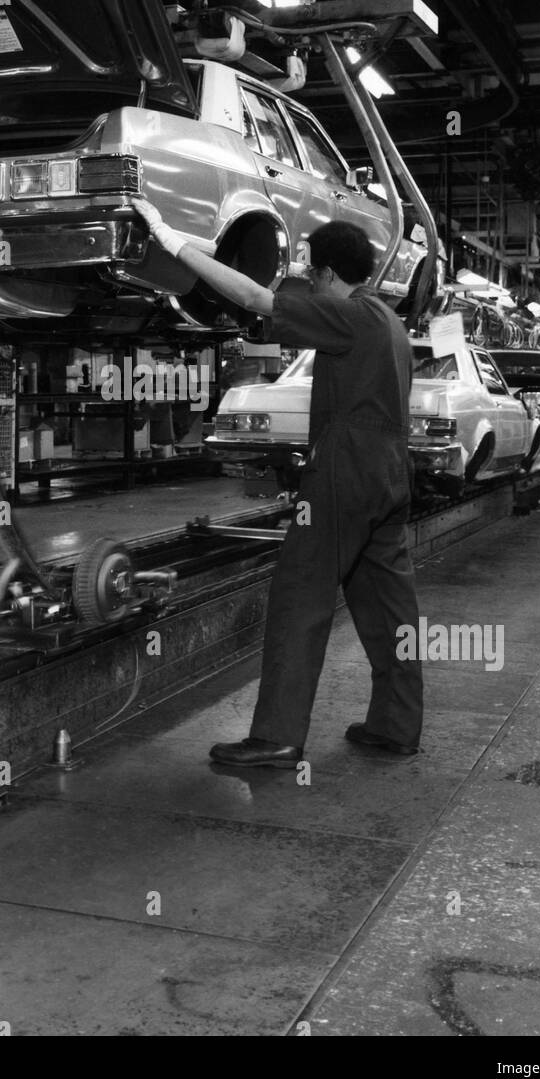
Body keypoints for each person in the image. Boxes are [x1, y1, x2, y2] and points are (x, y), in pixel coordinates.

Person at [133, 199, 422, 766]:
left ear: (330, 275)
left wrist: (174, 243)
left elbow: (253, 298)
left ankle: (276, 737)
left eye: (314, 274)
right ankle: (396, 725)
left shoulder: (347, 314)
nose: (310, 285)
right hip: (391, 475)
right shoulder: (390, 321)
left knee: (300, 596)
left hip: (345, 474)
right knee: (390, 606)